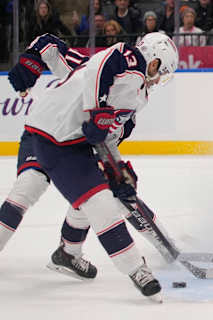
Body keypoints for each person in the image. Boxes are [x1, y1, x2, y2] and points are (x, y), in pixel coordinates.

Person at [7, 31, 178, 300]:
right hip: (44, 131)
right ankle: (79, 253)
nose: (156, 81)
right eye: (161, 72)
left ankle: (74, 254)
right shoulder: (124, 58)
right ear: (154, 63)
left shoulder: (136, 101)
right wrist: (31, 60)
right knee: (29, 187)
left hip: (73, 146)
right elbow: (59, 49)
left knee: (100, 197)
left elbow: (107, 136)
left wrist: (117, 170)